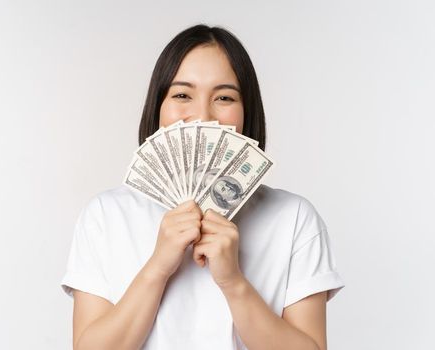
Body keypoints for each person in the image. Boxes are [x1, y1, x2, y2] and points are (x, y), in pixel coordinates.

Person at [60, 24, 345, 350]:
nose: (202, 116)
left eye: (224, 97)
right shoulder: (106, 215)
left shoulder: (294, 218)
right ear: (158, 107)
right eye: (182, 94)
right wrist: (157, 267)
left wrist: (233, 281)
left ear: (246, 109)